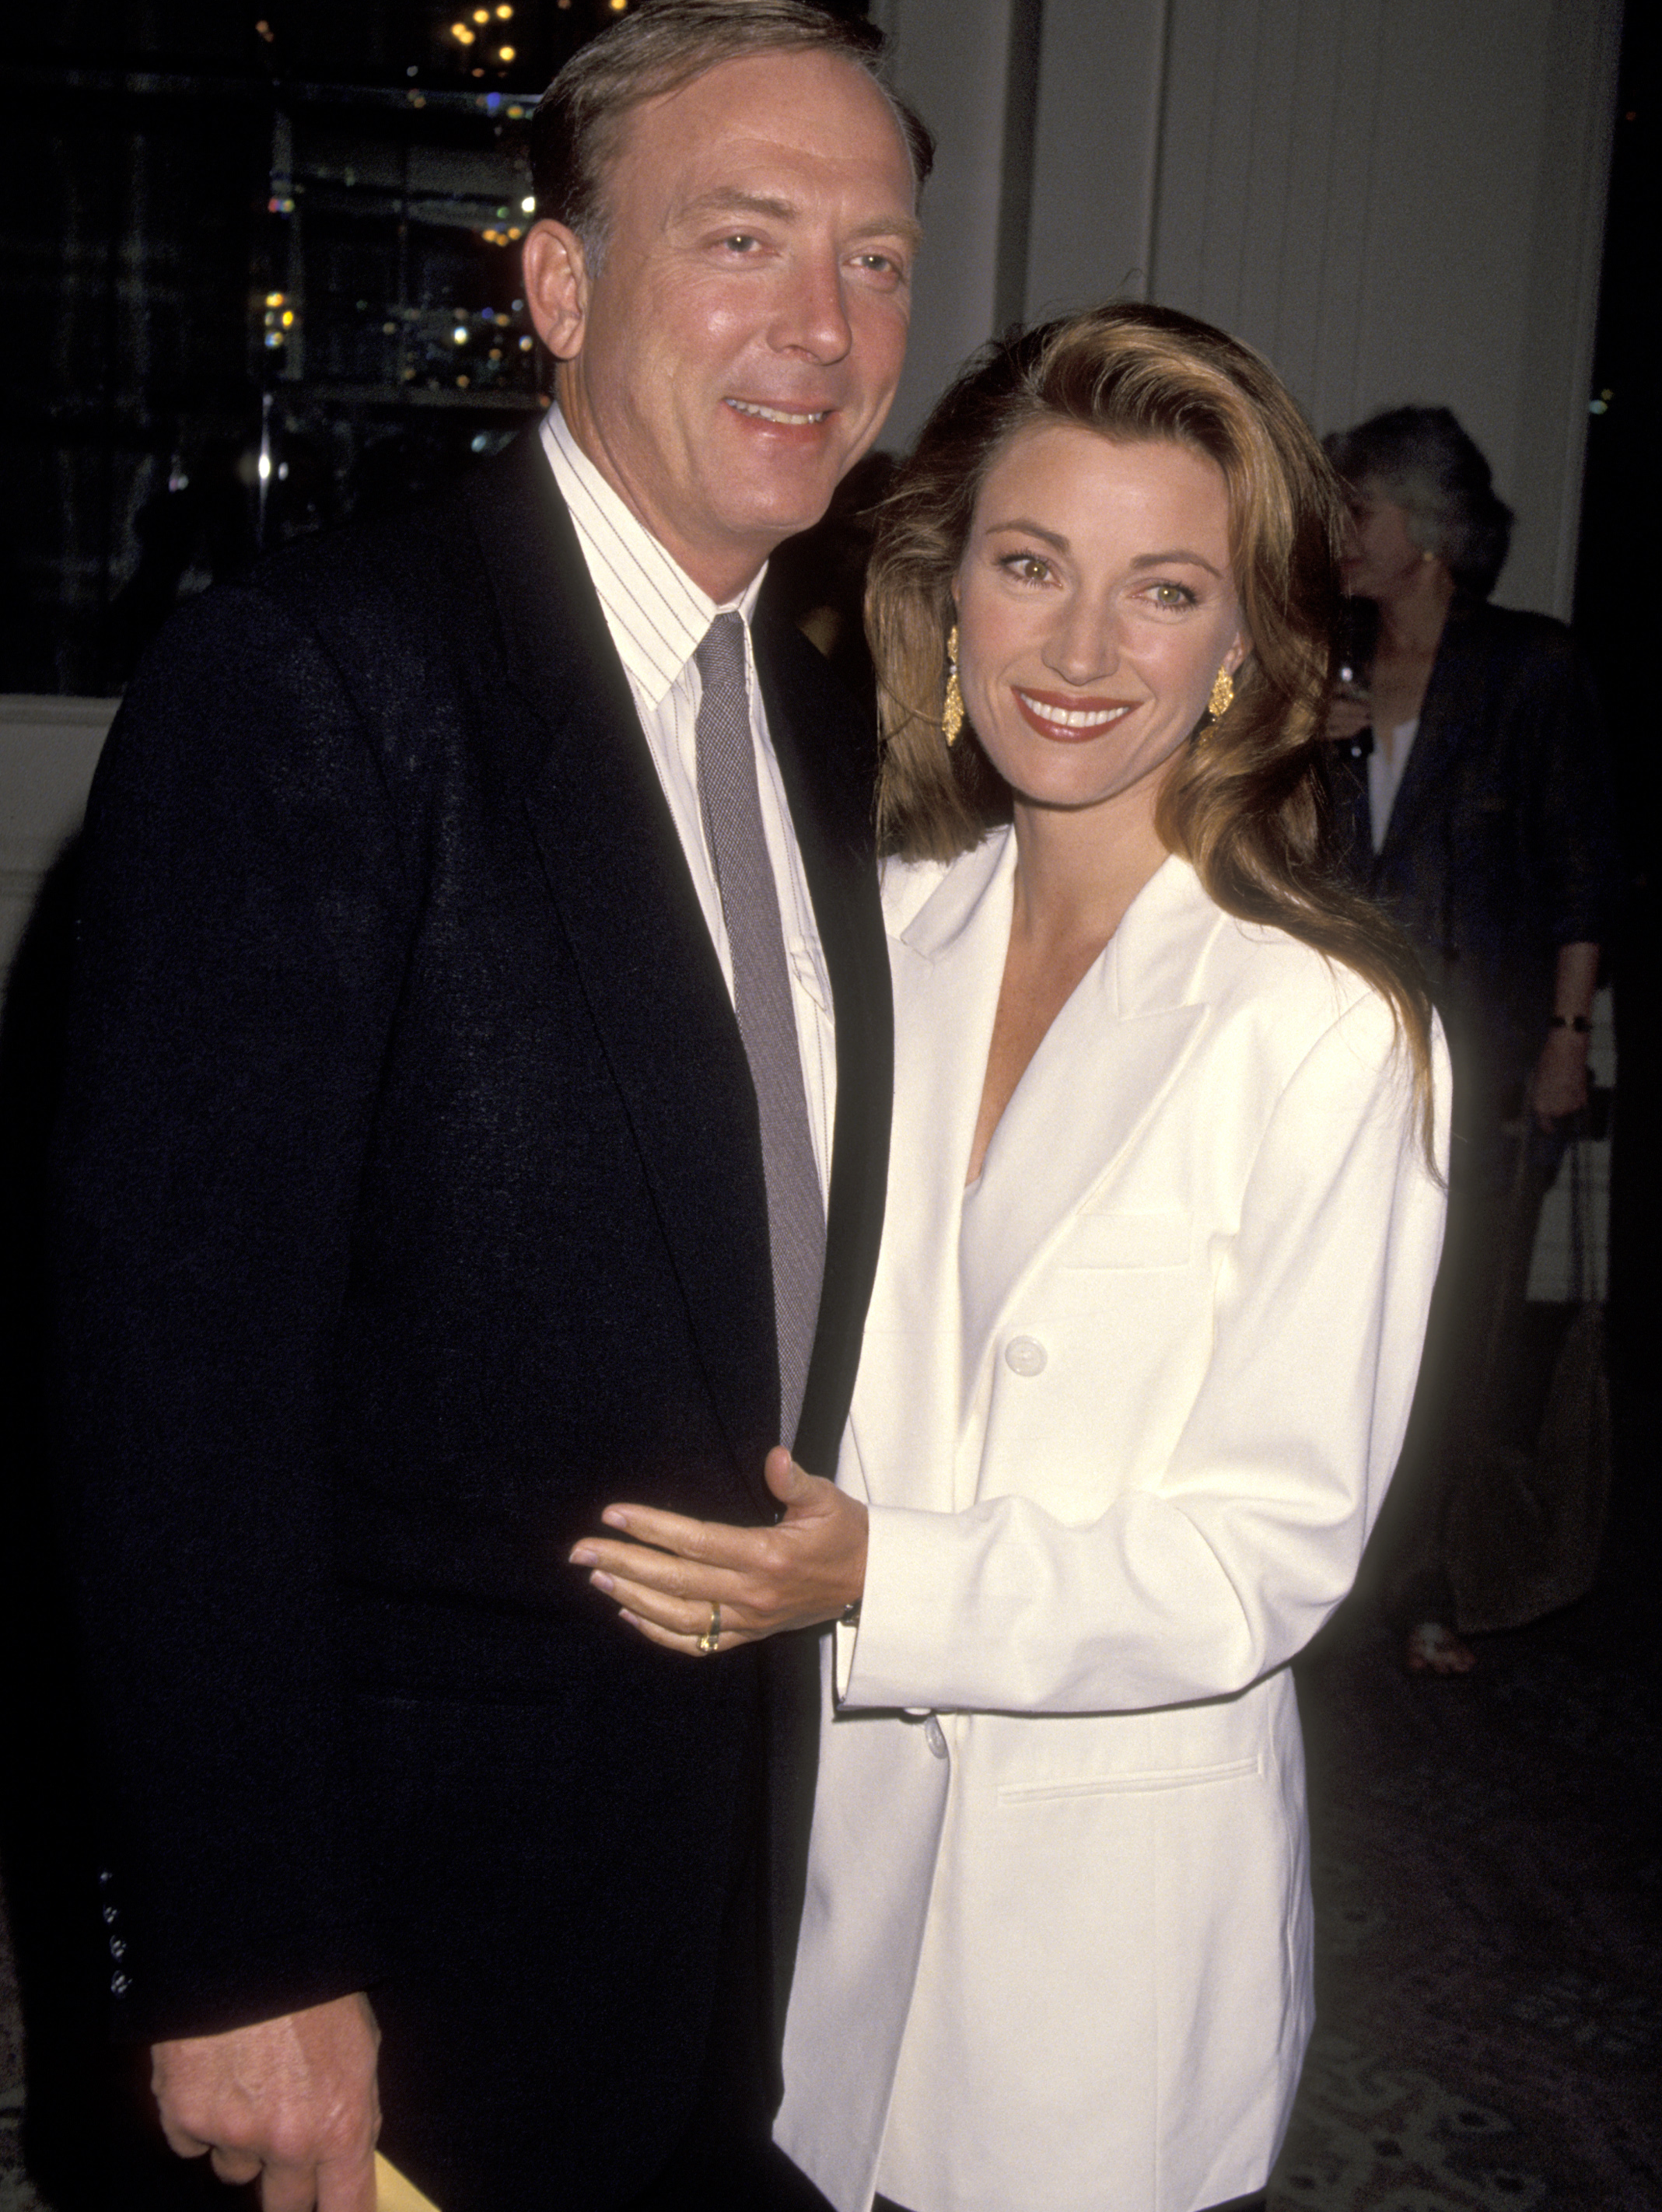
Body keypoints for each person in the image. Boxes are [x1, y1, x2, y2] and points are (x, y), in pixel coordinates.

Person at [49, 0, 929, 2212]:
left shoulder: (816, 726)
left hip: (718, 1893)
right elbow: (163, 1381)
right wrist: (241, 1949)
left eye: (879, 256)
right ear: (559, 284)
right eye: (743, 238)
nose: (821, 327)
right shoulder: (321, 683)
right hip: (399, 1918)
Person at [570, 303, 1450, 2212]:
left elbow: (1266, 1550)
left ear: (1241, 646)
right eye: (1032, 565)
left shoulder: (1322, 1026)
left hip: (1104, 1944)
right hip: (825, 1882)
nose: (1078, 648)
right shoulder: (866, 940)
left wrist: (885, 1573)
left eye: (1161, 591)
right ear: (945, 590)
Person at [1322, 407, 1622, 1674]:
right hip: (1342, 1046)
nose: (1339, 533)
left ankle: (1435, 1579)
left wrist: (1567, 1033)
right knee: (1339, 1315)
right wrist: (1290, 749)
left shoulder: (1528, 668)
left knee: (1459, 1325)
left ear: (1428, 536)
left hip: (1491, 1051)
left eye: (1360, 511)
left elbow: (1582, 869)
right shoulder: (1316, 660)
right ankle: (1334, 1572)